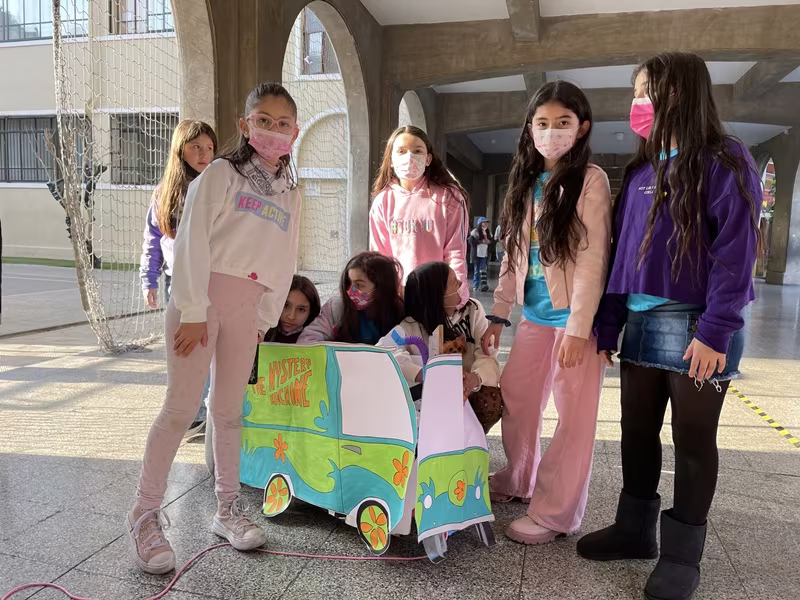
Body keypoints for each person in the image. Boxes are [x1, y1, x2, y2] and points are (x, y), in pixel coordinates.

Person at [576, 53, 761, 600]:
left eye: (647, 92)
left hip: (695, 323)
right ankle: (634, 531)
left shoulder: (725, 160)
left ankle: (682, 556)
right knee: (635, 430)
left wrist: (716, 330)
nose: (638, 103)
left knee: (692, 440)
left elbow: (736, 251)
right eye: (635, 92)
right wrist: (608, 324)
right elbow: (621, 257)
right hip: (638, 320)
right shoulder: (641, 171)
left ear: (680, 93)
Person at [127, 82, 303, 574]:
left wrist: (264, 319)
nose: (272, 130)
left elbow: (283, 260)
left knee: (228, 411)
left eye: (282, 123)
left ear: (295, 132)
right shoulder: (221, 173)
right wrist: (193, 309)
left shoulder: (292, 192)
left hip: (247, 311)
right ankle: (144, 513)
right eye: (262, 120)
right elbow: (191, 241)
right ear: (245, 125)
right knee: (180, 409)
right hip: (198, 305)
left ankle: (227, 509)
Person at [480, 81, 613, 545]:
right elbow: (513, 254)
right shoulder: (525, 182)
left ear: (582, 128)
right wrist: (499, 313)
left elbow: (593, 259)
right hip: (535, 318)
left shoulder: (590, 179)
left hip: (574, 323)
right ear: (529, 128)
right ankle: (519, 478)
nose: (551, 132)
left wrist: (579, 328)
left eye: (563, 122)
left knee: (574, 419)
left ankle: (557, 514)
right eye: (542, 123)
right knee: (518, 397)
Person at [140, 119, 217, 435]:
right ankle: (193, 412)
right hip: (179, 285)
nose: (203, 153)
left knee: (210, 347)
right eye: (195, 146)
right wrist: (149, 279)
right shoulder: (165, 193)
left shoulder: (217, 189)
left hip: (213, 282)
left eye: (209, 147)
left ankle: (209, 410)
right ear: (180, 150)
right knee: (186, 350)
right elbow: (154, 237)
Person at [377, 261, 501, 429]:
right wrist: (422, 373)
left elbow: (487, 355)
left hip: (467, 391)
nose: (461, 284)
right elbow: (383, 350)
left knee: (491, 399)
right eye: (454, 282)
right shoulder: (411, 326)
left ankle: (472, 438)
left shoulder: (473, 310)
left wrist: (475, 378)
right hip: (430, 402)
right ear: (437, 296)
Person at [369, 125, 470, 306]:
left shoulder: (449, 197)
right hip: (398, 300)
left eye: (417, 151)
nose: (409, 157)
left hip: (438, 298)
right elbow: (380, 257)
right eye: (401, 151)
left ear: (428, 159)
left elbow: (455, 252)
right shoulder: (382, 202)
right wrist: (387, 297)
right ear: (390, 159)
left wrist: (454, 299)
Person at [298, 251, 404, 345]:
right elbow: (306, 341)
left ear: (382, 287)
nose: (350, 291)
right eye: (349, 283)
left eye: (359, 285)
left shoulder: (400, 313)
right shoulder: (336, 308)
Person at [262, 275, 320, 344]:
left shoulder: (315, 340)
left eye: (301, 309)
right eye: (286, 305)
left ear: (311, 312)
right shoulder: (259, 332)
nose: (291, 316)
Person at [469, 217, 493, 291]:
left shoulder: (488, 232)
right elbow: (470, 241)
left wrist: (489, 242)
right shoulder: (475, 232)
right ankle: (475, 285)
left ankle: (483, 285)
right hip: (477, 254)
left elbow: (492, 241)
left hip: (484, 254)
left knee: (483, 270)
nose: (486, 224)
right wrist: (480, 241)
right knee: (476, 271)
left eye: (486, 222)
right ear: (480, 223)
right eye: (484, 222)